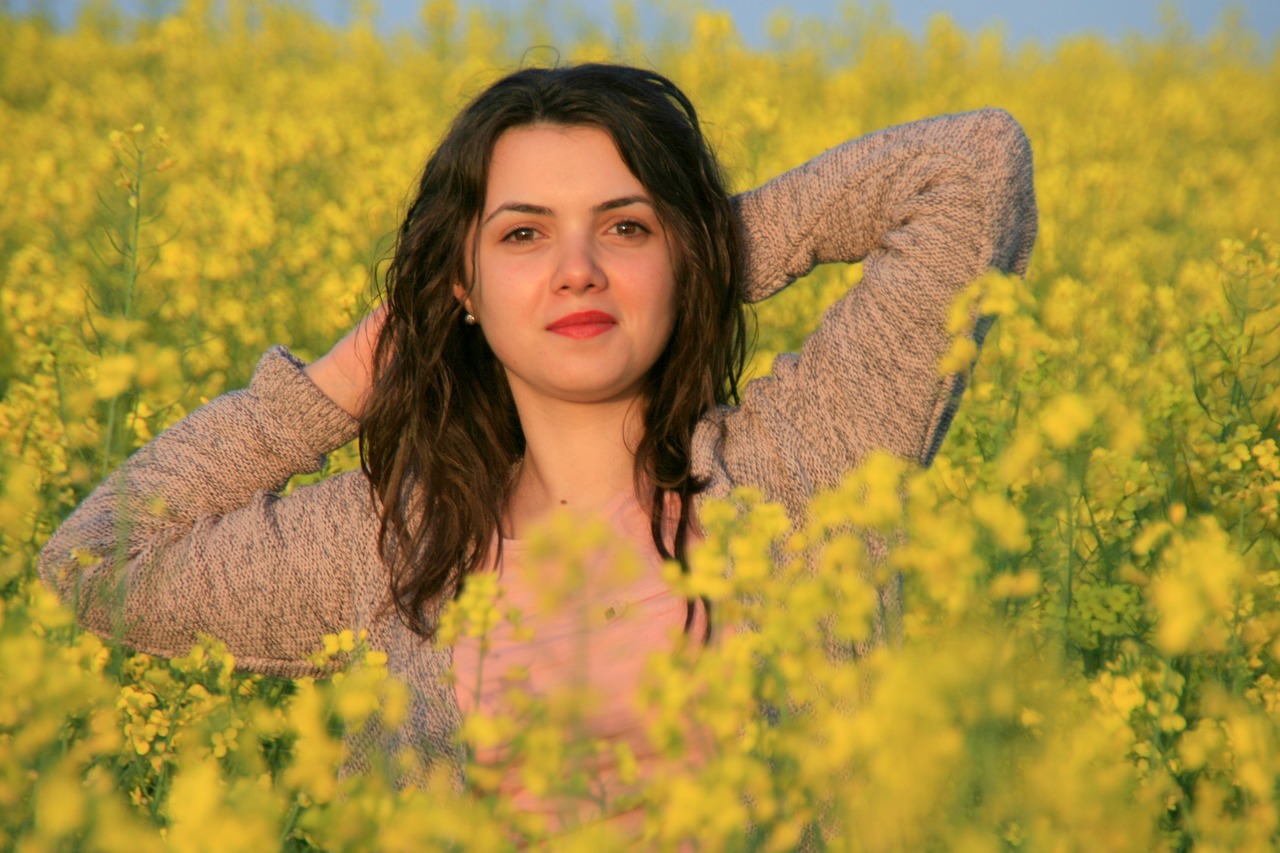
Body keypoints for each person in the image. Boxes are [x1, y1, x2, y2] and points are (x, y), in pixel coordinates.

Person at [40, 63, 1037, 834]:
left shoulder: (806, 465)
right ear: (457, 288)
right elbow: (98, 561)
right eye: (522, 236)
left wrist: (698, 242)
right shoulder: (390, 547)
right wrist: (343, 379)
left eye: (622, 227)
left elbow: (973, 163)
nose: (576, 271)